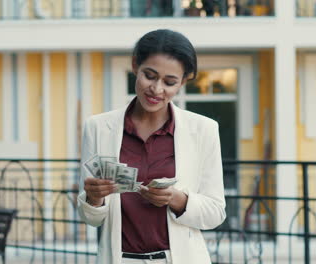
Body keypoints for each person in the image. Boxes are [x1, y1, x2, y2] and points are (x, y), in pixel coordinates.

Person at [77, 29, 226, 264]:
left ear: (183, 82)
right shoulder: (97, 127)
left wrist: (176, 199)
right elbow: (91, 218)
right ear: (135, 65)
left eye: (170, 82)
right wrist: (94, 199)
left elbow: (215, 212)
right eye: (150, 75)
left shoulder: (204, 130)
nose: (157, 89)